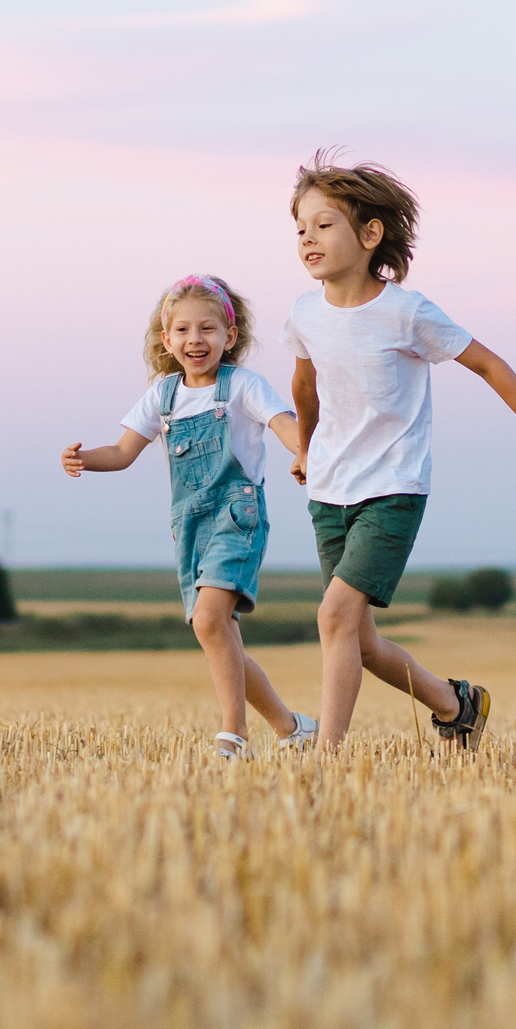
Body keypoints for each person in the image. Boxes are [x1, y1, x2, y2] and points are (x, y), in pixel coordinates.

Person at [282, 151, 516, 751]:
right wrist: (307, 449)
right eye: (300, 229)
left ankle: (327, 757)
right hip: (329, 491)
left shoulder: (406, 312)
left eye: (324, 224)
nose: (307, 238)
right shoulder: (304, 314)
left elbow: (489, 364)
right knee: (359, 641)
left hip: (392, 490)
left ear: (370, 234)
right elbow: (304, 386)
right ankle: (456, 705)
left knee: (334, 617)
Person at [62, 275, 318, 760]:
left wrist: (303, 451)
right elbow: (122, 451)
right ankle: (292, 728)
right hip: (190, 527)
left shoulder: (243, 386)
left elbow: (283, 423)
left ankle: (234, 735)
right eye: (182, 330)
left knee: (208, 622)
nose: (195, 340)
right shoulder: (162, 396)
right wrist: (83, 459)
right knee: (220, 637)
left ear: (230, 335)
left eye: (207, 329)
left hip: (237, 518)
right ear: (166, 339)